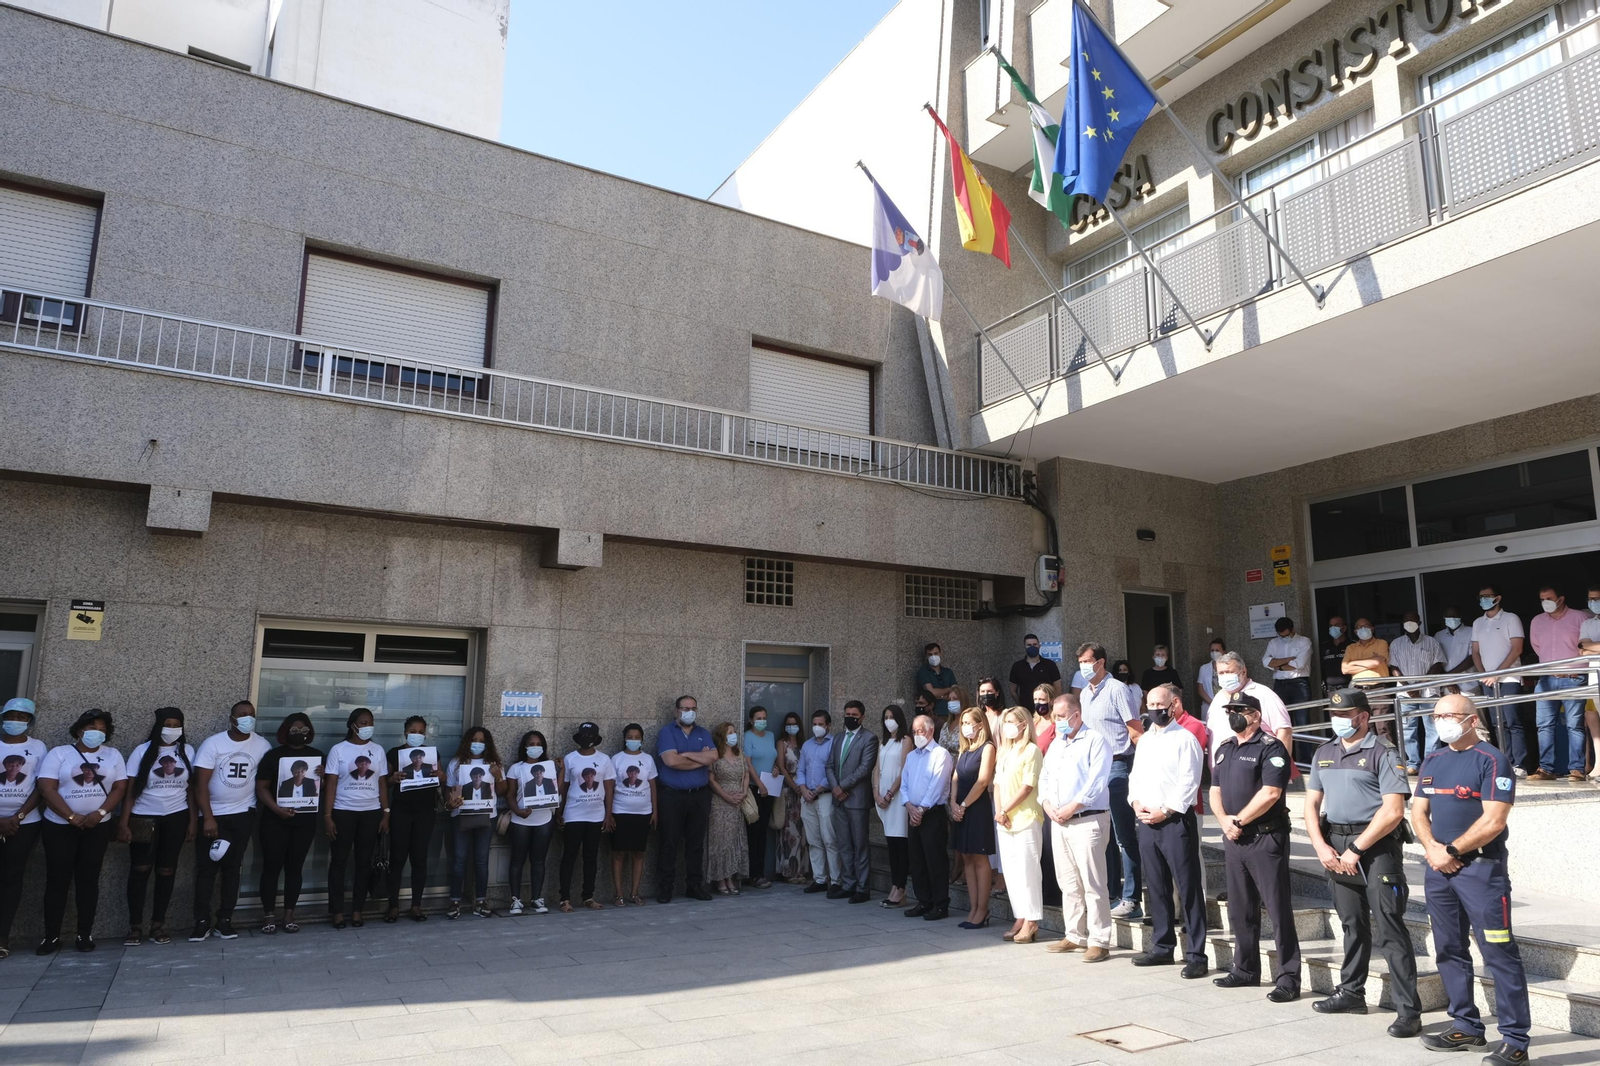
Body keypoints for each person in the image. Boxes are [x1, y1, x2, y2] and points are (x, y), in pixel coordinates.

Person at [1412, 694, 1533, 1066]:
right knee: (1448, 947)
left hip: (1481, 871)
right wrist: (1433, 849)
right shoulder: (1433, 759)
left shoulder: (1491, 760)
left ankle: (1515, 1040)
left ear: (1471, 719)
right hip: (1439, 871)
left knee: (1498, 952)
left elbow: (1494, 821)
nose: (1441, 721)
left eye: (1449, 714)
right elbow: (1418, 812)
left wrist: (1451, 851)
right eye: (1437, 715)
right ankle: (1465, 1025)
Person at [1303, 688, 1421, 1037]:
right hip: (1336, 844)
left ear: (1364, 716)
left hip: (1376, 847)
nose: (1338, 720)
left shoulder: (1383, 751)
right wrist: (1321, 847)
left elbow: (1393, 810)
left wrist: (1356, 849)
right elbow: (1311, 805)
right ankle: (1351, 993)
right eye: (1334, 714)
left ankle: (1408, 1011)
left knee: (1389, 927)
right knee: (1351, 923)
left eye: (1345, 715)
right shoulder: (1324, 752)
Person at [1209, 693, 1301, 1001]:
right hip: (1235, 839)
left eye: (1240, 710)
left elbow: (1271, 793)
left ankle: (1288, 978)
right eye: (1230, 710)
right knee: (1240, 909)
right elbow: (1215, 790)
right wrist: (1224, 821)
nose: (1234, 714)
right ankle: (1245, 969)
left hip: (1265, 837)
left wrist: (1238, 821)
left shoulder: (1270, 747)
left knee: (1277, 909)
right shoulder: (1225, 748)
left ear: (1256, 716)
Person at [1127, 691, 1207, 978]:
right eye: (1151, 705)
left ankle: (1196, 954)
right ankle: (1162, 946)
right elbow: (1135, 777)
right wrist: (1136, 802)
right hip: (1147, 820)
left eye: (1161, 705)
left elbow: (1189, 781)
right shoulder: (1146, 740)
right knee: (1157, 886)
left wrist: (1166, 810)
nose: (1156, 709)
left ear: (1173, 706)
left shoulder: (1185, 739)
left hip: (1175, 821)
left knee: (1188, 887)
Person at [36, 710, 127, 954]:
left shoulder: (113, 755)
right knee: (57, 879)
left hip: (97, 826)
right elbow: (46, 788)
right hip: (59, 826)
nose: (98, 732)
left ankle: (84, 934)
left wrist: (100, 813)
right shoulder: (59, 753)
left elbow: (120, 787)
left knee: (88, 880)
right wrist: (70, 816)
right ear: (79, 731)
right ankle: (51, 937)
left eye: (102, 729)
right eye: (92, 728)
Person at [1039, 692, 1112, 961]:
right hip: (1059, 821)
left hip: (1087, 819)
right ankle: (1074, 934)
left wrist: (1072, 806)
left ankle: (1099, 940)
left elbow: (1096, 781)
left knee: (1093, 883)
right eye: (1054, 716)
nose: (1057, 721)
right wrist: (1047, 804)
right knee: (1068, 882)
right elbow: (1045, 778)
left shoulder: (1095, 740)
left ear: (1076, 715)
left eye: (1061, 716)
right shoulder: (1057, 744)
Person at [1073, 642, 1145, 921]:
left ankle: (1132, 898)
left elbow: (1135, 731)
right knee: (1104, 835)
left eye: (1087, 661)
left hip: (1117, 765)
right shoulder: (1085, 693)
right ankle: (1111, 892)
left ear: (1101, 662)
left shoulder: (1117, 689)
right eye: (1080, 662)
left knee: (1123, 836)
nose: (1083, 666)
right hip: (1094, 769)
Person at [191, 700, 270, 942]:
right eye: (242, 714)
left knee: (232, 869)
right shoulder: (213, 743)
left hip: (243, 814)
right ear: (232, 718)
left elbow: (272, 774)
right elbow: (200, 784)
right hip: (213, 815)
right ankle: (201, 922)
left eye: (251, 714)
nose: (248, 718)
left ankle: (224, 920)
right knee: (207, 869)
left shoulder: (262, 744)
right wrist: (207, 817)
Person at [119, 708, 196, 947]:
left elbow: (191, 790)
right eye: (167, 724)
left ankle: (157, 924)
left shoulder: (187, 751)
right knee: (140, 869)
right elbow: (130, 790)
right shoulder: (142, 751)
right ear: (158, 726)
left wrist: (193, 821)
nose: (172, 729)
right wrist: (123, 822)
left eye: (176, 725)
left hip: (176, 817)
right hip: (144, 817)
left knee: (167, 871)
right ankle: (135, 926)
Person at [255, 713, 322, 935]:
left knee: (295, 868)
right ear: (286, 730)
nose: (299, 733)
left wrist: (325, 776)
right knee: (271, 867)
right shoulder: (273, 756)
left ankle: (289, 915)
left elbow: (325, 788)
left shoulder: (316, 757)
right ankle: (268, 915)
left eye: (304, 730)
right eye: (294, 729)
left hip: (305, 822)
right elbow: (262, 787)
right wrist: (277, 809)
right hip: (275, 821)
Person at [323, 707, 389, 929]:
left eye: (370, 722)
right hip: (343, 812)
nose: (367, 726)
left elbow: (382, 784)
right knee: (339, 862)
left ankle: (358, 910)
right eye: (363, 722)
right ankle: (337, 911)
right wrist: (328, 815)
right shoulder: (338, 750)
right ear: (352, 725)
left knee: (364, 862)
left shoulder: (378, 750)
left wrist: (386, 813)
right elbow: (330, 785)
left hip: (371, 813)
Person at [654, 696, 716, 903]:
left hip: (699, 795)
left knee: (696, 844)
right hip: (672, 796)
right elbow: (671, 761)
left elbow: (713, 757)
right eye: (685, 708)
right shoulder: (667, 732)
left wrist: (686, 755)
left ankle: (694, 886)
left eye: (693, 708)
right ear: (676, 711)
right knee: (669, 842)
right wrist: (700, 759)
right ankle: (665, 888)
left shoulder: (703, 733)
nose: (689, 712)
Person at [992, 706, 1043, 944]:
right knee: (1011, 873)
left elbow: (1027, 786)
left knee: (1027, 871)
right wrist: (999, 811)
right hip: (1005, 821)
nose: (1008, 726)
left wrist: (1005, 809)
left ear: (1024, 724)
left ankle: (1032, 919)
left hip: (1025, 818)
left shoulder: (1032, 750)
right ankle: (1020, 916)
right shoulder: (1005, 751)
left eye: (1012, 721)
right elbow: (997, 785)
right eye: (1006, 722)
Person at [0, 698, 46, 959]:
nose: (15, 721)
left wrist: (18, 816)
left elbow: (41, 787)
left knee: (12, 878)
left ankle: (2, 937)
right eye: (11, 716)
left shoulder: (38, 747)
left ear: (29, 721)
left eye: (21, 717)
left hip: (24, 824)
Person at [1528, 584, 1587, 781]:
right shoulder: (1537, 621)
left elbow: (1587, 646)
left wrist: (1575, 668)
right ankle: (1546, 769)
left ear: (1561, 599)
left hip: (1574, 678)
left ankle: (1577, 769)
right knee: (1544, 725)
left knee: (1574, 725)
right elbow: (1537, 647)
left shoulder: (1580, 617)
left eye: (1549, 599)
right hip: (1546, 679)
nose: (1546, 603)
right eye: (1542, 599)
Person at [385, 716, 440, 923]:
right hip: (401, 812)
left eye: (421, 732)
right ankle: (393, 905)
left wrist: (441, 776)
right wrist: (393, 779)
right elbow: (384, 782)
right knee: (397, 859)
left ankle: (416, 905)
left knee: (419, 858)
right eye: (413, 731)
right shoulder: (394, 753)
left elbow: (441, 779)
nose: (417, 735)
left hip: (425, 812)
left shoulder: (431, 754)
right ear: (405, 732)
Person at [445, 727, 503, 919]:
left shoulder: (493, 763)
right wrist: (450, 802)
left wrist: (498, 776)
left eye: (482, 740)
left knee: (481, 860)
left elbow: (502, 791)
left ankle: (480, 901)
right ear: (467, 741)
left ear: (487, 744)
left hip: (487, 816)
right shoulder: (456, 763)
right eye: (474, 739)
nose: (477, 744)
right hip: (461, 816)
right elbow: (450, 789)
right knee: (459, 860)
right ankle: (455, 902)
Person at [558, 721, 615, 911]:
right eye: (584, 735)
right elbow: (564, 787)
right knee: (569, 856)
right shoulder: (570, 758)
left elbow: (609, 788)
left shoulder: (604, 759)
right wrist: (559, 811)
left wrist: (608, 814)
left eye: (590, 736)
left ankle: (588, 896)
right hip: (573, 814)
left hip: (596, 816)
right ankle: (564, 898)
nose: (587, 739)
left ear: (596, 739)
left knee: (591, 857)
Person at [826, 700, 879, 904]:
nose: (850, 718)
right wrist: (835, 788)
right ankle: (848, 884)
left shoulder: (869, 738)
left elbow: (865, 768)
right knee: (844, 845)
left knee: (860, 845)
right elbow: (829, 766)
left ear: (862, 717)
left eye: (854, 715)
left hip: (857, 800)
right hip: (839, 800)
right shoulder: (838, 737)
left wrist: (842, 786)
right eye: (847, 714)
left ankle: (863, 888)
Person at [901, 714, 952, 921]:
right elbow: (904, 784)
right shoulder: (911, 756)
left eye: (920, 731)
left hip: (932, 814)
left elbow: (936, 786)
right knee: (917, 860)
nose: (916, 735)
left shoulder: (941, 754)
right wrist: (909, 806)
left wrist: (920, 810)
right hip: (913, 812)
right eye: (914, 732)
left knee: (935, 860)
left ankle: (940, 904)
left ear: (930, 731)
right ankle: (924, 901)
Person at [1471, 585, 1527, 775]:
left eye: (1487, 596)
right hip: (1488, 681)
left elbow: (1517, 649)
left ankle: (1519, 764)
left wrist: (1497, 673)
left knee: (1513, 722)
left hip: (1509, 678)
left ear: (1498, 598)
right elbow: (1475, 652)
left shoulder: (1511, 618)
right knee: (1497, 723)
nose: (1484, 600)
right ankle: (1505, 761)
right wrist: (1483, 674)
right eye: (1481, 597)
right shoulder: (1478, 622)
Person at [502, 729, 558, 916]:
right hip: (520, 820)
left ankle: (536, 899)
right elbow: (509, 795)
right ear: (525, 747)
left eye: (538, 744)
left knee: (538, 861)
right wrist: (517, 811)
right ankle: (515, 900)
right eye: (531, 744)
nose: (535, 747)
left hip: (544, 819)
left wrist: (562, 771)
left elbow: (558, 792)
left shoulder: (549, 768)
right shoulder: (516, 768)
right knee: (517, 860)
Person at [1207, 652, 1295, 766]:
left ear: (1243, 671)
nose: (1225, 676)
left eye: (1229, 672)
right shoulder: (1217, 698)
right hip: (1222, 771)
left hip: (1259, 770)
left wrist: (1279, 768)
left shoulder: (1263, 694)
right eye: (1221, 673)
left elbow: (1284, 732)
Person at [951, 707, 996, 929]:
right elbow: (956, 777)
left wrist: (964, 805)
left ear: (980, 724)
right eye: (963, 723)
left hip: (976, 808)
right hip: (960, 807)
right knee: (966, 856)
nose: (965, 727)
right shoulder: (965, 749)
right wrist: (953, 802)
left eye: (969, 722)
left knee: (979, 857)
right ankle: (973, 907)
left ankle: (982, 909)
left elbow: (983, 781)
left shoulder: (988, 748)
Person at [1390, 612, 1446, 773]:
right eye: (1406, 620)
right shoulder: (1396, 644)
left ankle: (1431, 763)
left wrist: (1420, 685)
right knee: (1408, 730)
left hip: (1428, 692)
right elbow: (1394, 667)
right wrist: (1408, 687)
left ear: (1419, 622)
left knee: (1433, 729)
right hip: (1405, 694)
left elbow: (1437, 665)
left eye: (1412, 620)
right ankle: (1413, 764)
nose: (1409, 622)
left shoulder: (1431, 642)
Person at [607, 724, 655, 907]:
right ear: (624, 738)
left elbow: (653, 786)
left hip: (643, 813)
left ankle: (634, 893)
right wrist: (609, 813)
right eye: (630, 736)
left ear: (642, 739)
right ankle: (618, 894)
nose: (633, 740)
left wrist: (655, 812)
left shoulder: (648, 759)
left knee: (638, 853)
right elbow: (610, 787)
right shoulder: (616, 759)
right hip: (620, 811)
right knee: (618, 853)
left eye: (637, 737)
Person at [705, 722, 751, 895]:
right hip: (720, 802)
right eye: (730, 732)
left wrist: (744, 792)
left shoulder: (739, 753)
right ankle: (719, 878)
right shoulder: (715, 755)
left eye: (734, 732)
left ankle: (730, 876)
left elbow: (746, 774)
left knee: (733, 840)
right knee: (720, 840)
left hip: (737, 803)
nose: (733, 735)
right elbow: (711, 780)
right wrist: (726, 796)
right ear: (722, 736)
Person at [796, 709, 840, 895]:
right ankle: (820, 879)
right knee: (813, 841)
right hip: (807, 797)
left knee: (830, 840)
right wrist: (803, 789)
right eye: (814, 724)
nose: (817, 727)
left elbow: (835, 770)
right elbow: (800, 769)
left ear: (828, 725)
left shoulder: (834, 744)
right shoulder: (807, 745)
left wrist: (819, 789)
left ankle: (836, 880)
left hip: (825, 796)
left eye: (820, 724)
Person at [873, 704, 913, 907]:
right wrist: (876, 793)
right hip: (883, 798)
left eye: (892, 717)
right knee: (891, 843)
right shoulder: (883, 742)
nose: (889, 721)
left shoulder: (906, 740)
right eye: (886, 717)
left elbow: (904, 770)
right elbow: (876, 770)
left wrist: (890, 793)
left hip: (897, 799)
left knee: (900, 843)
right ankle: (894, 885)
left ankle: (900, 887)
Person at [1263, 617, 1315, 761]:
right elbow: (1266, 662)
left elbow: (1299, 664)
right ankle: (1288, 760)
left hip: (1299, 685)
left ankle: (1306, 761)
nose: (1283, 638)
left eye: (1286, 635)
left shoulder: (1304, 641)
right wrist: (1288, 659)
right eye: (1281, 635)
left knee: (1303, 723)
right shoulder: (1273, 643)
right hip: (1280, 685)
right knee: (1283, 724)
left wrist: (1277, 665)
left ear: (1293, 630)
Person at [741, 706, 776, 888]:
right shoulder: (747, 736)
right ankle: (752, 874)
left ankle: (759, 872)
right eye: (758, 718)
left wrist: (775, 768)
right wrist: (759, 784)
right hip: (755, 789)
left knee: (763, 832)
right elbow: (747, 763)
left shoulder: (770, 736)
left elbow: (771, 758)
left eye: (764, 718)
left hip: (769, 789)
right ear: (751, 720)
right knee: (753, 832)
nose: (762, 721)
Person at [774, 710, 808, 883]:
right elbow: (781, 766)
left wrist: (803, 787)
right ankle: (789, 871)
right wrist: (794, 786)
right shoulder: (782, 743)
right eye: (788, 724)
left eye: (794, 724)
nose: (791, 726)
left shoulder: (805, 743)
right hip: (789, 790)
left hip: (805, 790)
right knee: (790, 831)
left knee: (803, 832)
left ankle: (801, 870)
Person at [1580, 585, 1600, 780]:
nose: (1593, 603)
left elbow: (1586, 647)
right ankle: (1598, 765)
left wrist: (1589, 648)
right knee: (1593, 721)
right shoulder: (1588, 623)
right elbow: (1581, 647)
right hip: (1593, 679)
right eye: (1591, 599)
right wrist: (1590, 648)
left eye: (1597, 599)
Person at [1009, 633, 1061, 706]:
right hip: (1026, 709)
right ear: (1024, 646)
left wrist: (1053, 705)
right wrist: (1022, 705)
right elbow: (1013, 691)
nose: (1032, 647)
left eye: (1034, 644)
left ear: (1039, 646)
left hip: (1046, 708)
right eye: (1029, 645)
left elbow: (1058, 689)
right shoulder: (1017, 666)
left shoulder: (1050, 665)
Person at [1321, 617, 1351, 697]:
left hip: (1350, 688)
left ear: (1344, 628)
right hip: (1331, 690)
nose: (1333, 628)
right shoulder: (1325, 646)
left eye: (1337, 625)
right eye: (1331, 626)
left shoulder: (1352, 645)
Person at [937, 685, 968, 753]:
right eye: (949, 699)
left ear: (963, 701)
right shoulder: (946, 725)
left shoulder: (968, 724)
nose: (951, 702)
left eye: (955, 698)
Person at [1198, 638, 1227, 707]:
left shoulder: (1229, 667)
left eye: (1217, 650)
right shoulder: (1204, 668)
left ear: (1223, 652)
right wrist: (1212, 703)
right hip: (1209, 706)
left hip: (1226, 704)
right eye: (1212, 650)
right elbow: (1200, 690)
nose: (1214, 653)